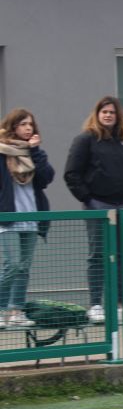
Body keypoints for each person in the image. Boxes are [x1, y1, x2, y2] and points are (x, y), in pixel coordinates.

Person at [64, 96, 123, 324]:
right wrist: (88, 199)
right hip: (99, 206)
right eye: (104, 112)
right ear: (97, 114)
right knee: (98, 255)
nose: (108, 115)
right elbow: (72, 174)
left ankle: (122, 306)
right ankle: (96, 305)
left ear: (118, 116)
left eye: (112, 112)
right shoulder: (85, 140)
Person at [0, 109, 55, 328]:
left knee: (24, 267)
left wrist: (35, 151)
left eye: (31, 124)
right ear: (13, 126)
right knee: (12, 264)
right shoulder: (2, 152)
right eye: (23, 124)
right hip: (9, 218)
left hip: (32, 215)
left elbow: (46, 178)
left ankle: (17, 311)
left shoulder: (34, 153)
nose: (28, 128)